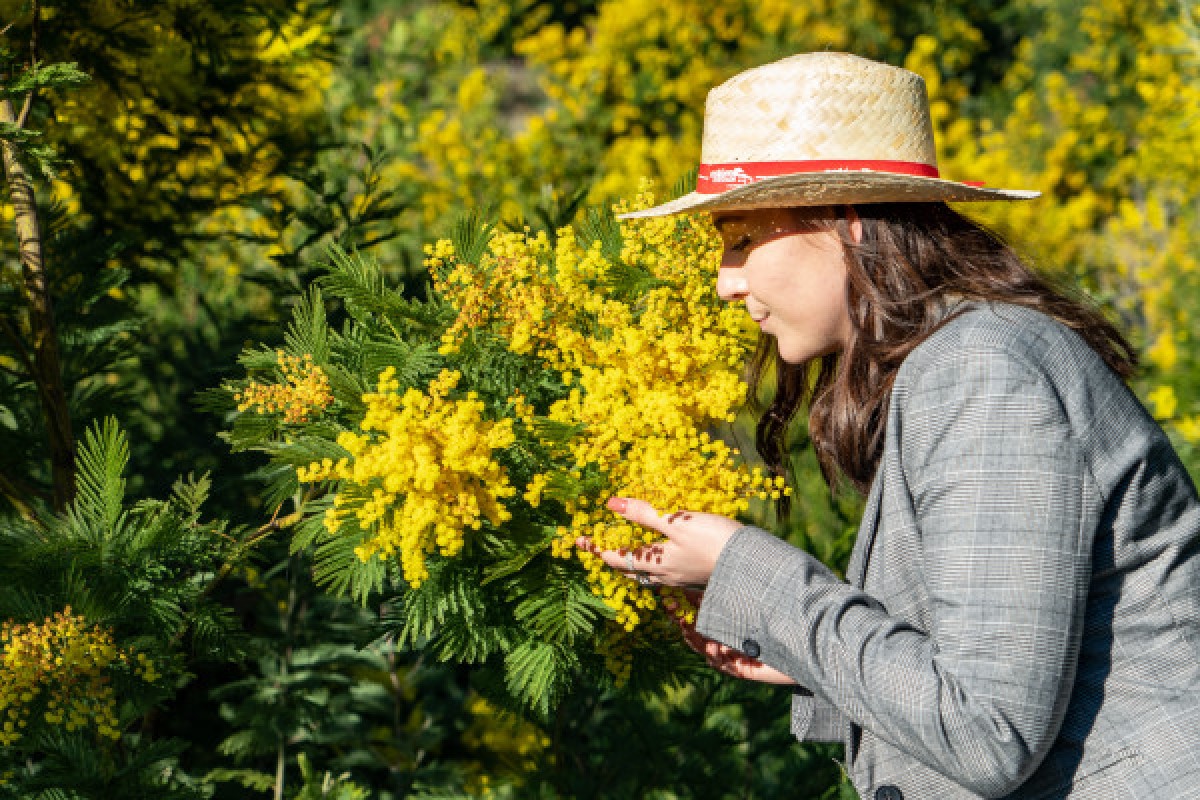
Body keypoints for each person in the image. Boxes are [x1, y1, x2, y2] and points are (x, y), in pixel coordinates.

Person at [577, 52, 1200, 799]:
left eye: (741, 237)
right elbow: (974, 667)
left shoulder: (983, 371)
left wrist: (749, 571)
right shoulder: (959, 360)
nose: (725, 279)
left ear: (848, 223)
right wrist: (803, 649)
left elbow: (986, 732)